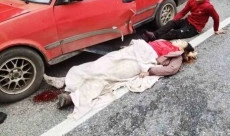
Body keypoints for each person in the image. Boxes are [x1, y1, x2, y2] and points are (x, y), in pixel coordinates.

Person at [56, 39, 196, 109]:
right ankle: (68, 80)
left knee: (108, 74)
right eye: (179, 39)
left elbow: (171, 69)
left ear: (183, 49)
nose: (178, 41)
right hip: (133, 52)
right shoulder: (164, 41)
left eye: (181, 42)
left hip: (140, 62)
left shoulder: (177, 55)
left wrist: (149, 71)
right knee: (103, 63)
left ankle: (71, 98)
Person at [142, 0, 224, 41]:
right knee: (171, 23)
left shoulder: (208, 7)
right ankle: (154, 35)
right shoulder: (192, 0)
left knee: (173, 33)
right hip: (187, 21)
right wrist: (174, 21)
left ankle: (154, 41)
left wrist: (216, 30)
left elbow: (216, 17)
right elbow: (183, 12)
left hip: (194, 28)